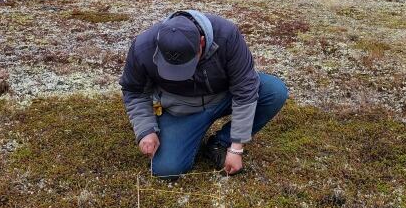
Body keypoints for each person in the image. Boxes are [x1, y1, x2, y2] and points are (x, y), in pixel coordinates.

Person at [120, 10, 288, 178]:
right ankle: (187, 133)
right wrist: (146, 130)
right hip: (179, 110)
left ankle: (221, 141)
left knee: (274, 91)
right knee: (166, 170)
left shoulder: (227, 35)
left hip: (223, 97)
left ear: (201, 42)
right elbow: (134, 90)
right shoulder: (143, 47)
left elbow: (245, 89)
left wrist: (236, 148)